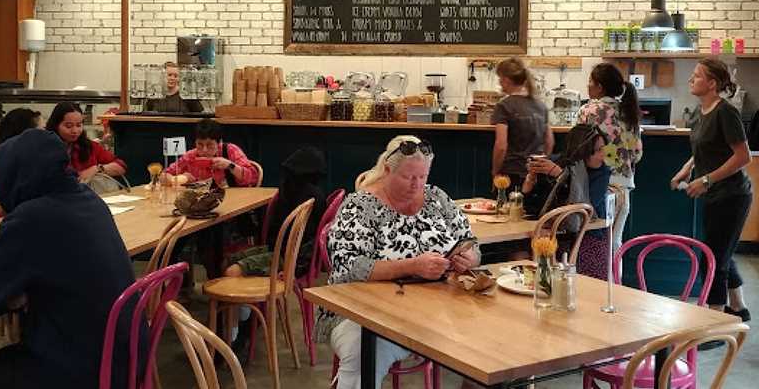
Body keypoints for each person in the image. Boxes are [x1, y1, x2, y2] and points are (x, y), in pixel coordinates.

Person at [316, 135, 479, 389]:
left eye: (422, 177)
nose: (417, 185)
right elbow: (348, 267)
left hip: (436, 308)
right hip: (363, 309)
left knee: (491, 341)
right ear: (387, 170)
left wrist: (469, 257)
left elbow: (469, 240)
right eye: (408, 177)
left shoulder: (437, 198)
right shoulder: (360, 206)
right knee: (365, 350)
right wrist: (412, 266)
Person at [0, 129, 145, 388]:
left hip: (83, 369)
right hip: (127, 356)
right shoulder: (89, 200)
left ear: (15, 175)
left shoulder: (32, 217)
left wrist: (14, 290)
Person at [222, 147, 328, 363]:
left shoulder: (306, 198)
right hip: (282, 253)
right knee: (226, 261)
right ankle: (242, 323)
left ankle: (240, 336)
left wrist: (293, 268)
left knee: (231, 272)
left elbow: (307, 243)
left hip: (286, 259)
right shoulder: (312, 194)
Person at [670, 58, 752, 321]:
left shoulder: (726, 112)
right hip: (715, 195)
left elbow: (743, 156)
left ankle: (715, 321)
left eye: (696, 76)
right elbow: (705, 147)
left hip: (733, 196)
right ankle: (738, 308)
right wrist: (688, 168)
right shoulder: (700, 111)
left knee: (713, 258)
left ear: (713, 83)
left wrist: (706, 180)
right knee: (721, 251)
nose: (691, 80)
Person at [523, 124, 612, 279]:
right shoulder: (558, 163)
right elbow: (533, 208)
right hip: (554, 236)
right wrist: (531, 180)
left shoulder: (602, 172)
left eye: (604, 148)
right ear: (581, 150)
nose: (603, 155)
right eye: (598, 150)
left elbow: (584, 209)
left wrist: (561, 176)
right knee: (516, 254)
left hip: (587, 237)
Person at [576, 62, 642, 252]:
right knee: (615, 245)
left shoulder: (589, 110)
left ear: (599, 87)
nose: (587, 86)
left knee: (592, 246)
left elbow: (580, 149)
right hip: (623, 187)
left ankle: (593, 281)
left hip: (597, 186)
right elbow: (637, 154)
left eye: (590, 82)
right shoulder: (629, 111)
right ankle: (615, 282)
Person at [491, 58, 554, 189]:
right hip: (536, 174)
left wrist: (495, 171)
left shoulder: (504, 106)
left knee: (509, 208)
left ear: (506, 80)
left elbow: (501, 145)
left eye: (500, 78)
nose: (500, 82)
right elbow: (549, 142)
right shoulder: (541, 106)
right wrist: (538, 165)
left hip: (512, 173)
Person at [46, 102, 127, 183]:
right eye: (69, 126)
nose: (75, 131)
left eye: (78, 125)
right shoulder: (44, 148)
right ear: (55, 125)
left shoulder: (89, 146)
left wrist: (97, 169)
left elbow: (121, 166)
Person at [163, 118, 258, 187]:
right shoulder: (190, 156)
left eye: (209, 145)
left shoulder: (230, 150)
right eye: (200, 144)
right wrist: (178, 179)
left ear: (219, 142)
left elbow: (253, 178)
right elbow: (164, 175)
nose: (204, 150)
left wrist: (230, 165)